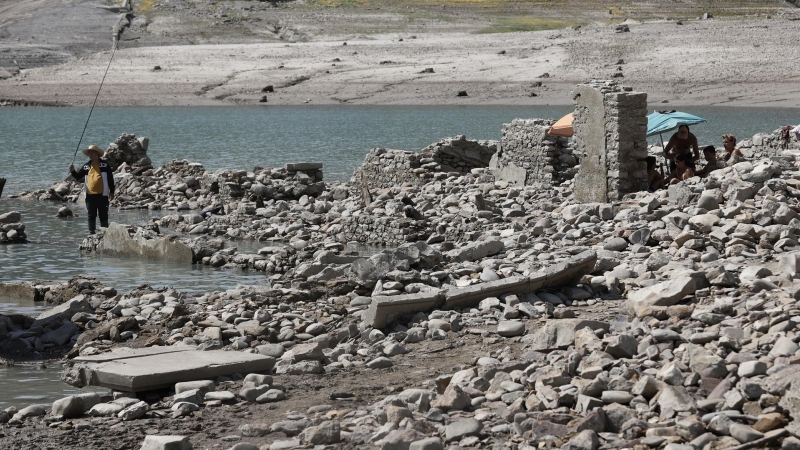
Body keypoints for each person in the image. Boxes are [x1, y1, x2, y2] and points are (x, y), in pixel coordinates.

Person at [69, 144, 115, 234]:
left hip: (103, 195)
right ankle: (91, 233)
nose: (90, 155)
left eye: (92, 153)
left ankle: (105, 233)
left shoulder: (105, 165)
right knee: (91, 215)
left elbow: (110, 178)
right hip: (90, 195)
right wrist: (72, 171)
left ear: (96, 153)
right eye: (89, 153)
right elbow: (78, 177)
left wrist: (112, 191)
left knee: (103, 215)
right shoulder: (86, 166)